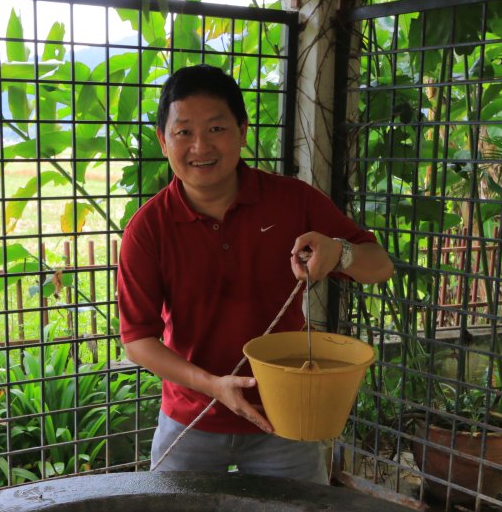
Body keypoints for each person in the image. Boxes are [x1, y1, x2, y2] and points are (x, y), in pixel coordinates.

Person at [118, 64, 395, 484]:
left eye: (216, 129)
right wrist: (213, 385)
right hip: (191, 418)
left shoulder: (292, 201)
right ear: (163, 141)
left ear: (242, 132)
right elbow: (138, 341)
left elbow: (380, 265)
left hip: (286, 418)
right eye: (183, 132)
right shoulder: (148, 228)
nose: (200, 146)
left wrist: (340, 253)